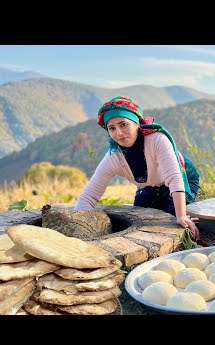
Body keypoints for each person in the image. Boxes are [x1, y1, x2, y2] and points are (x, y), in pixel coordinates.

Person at [74, 96, 200, 240]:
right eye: (112, 128)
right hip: (151, 184)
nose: (119, 133)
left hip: (183, 178)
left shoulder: (157, 140)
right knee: (141, 215)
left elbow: (174, 178)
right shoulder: (114, 156)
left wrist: (181, 216)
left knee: (170, 217)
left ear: (136, 123)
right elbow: (88, 196)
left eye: (123, 124)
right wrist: (78, 224)